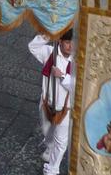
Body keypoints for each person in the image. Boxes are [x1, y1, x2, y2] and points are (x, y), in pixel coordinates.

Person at [29, 30, 75, 175]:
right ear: (60, 41)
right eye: (67, 42)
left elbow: (79, 86)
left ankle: (52, 169)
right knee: (47, 131)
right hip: (46, 104)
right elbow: (33, 47)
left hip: (66, 109)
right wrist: (49, 33)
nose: (71, 46)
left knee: (61, 142)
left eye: (74, 43)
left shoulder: (78, 61)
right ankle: (49, 146)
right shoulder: (50, 52)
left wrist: (62, 77)